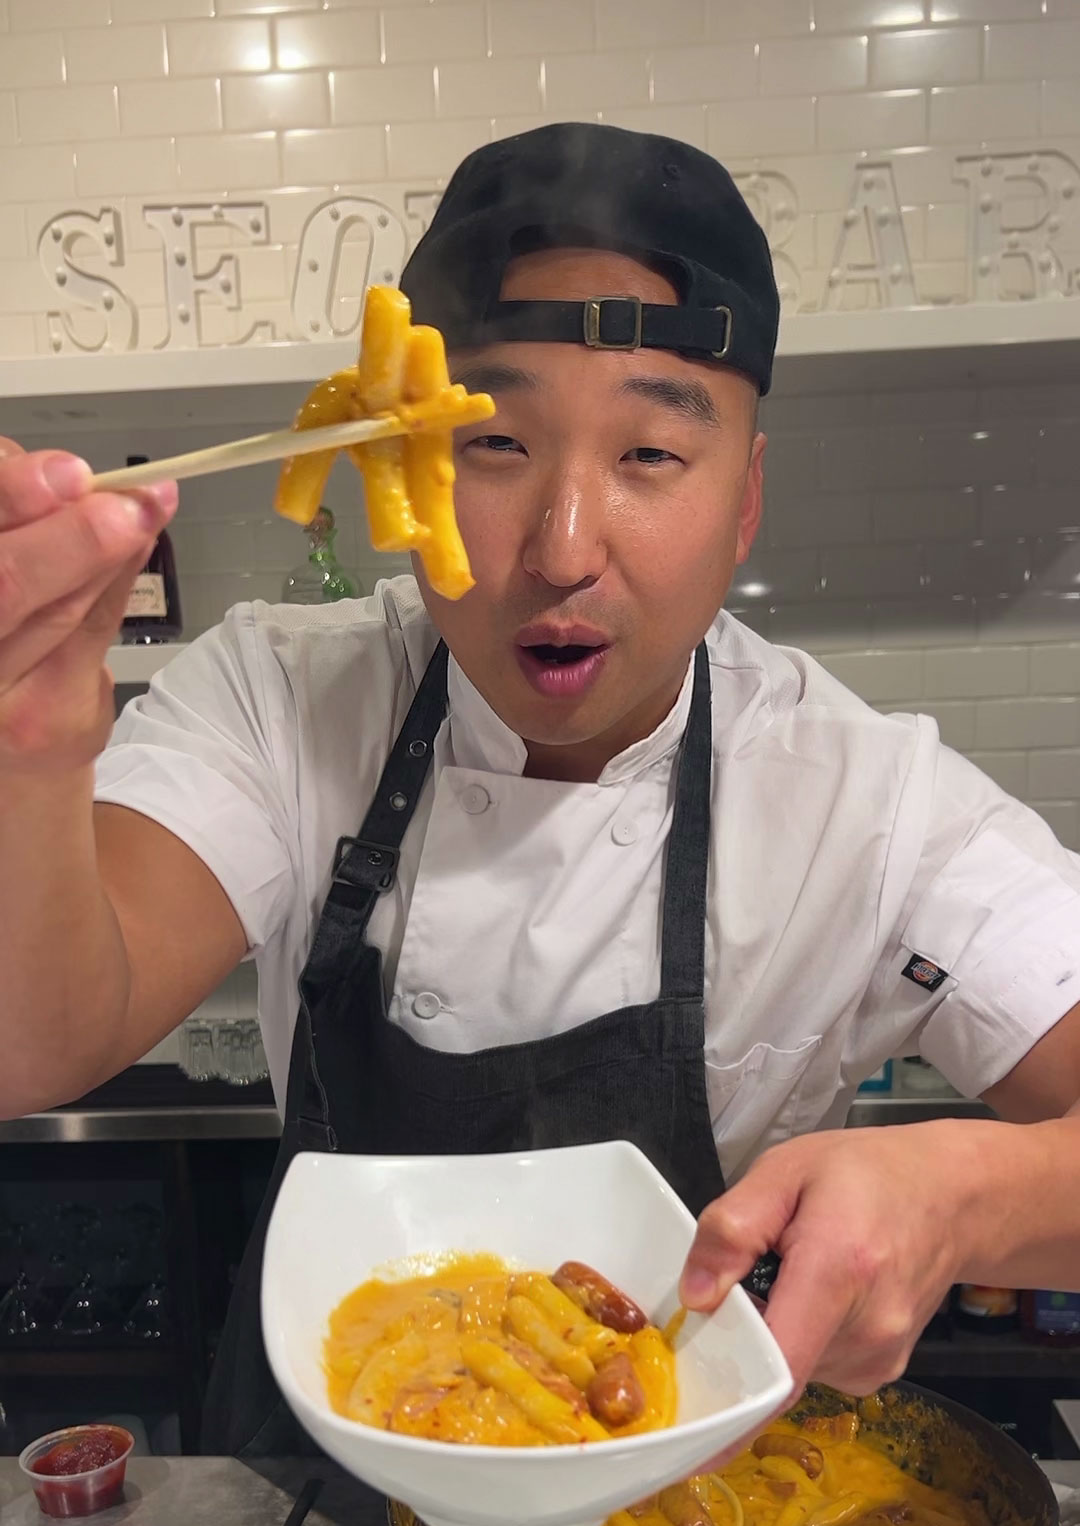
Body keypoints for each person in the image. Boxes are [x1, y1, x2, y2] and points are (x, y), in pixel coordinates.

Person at [3, 123, 1080, 1456]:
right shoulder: (284, 700)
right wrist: (29, 761)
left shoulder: (862, 799)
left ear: (744, 502)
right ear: (407, 465)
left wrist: (972, 1193)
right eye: (497, 444)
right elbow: (35, 1048)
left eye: (649, 458)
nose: (564, 550)